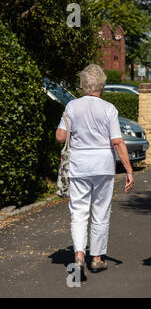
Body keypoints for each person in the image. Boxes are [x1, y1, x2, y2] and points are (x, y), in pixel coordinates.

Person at [55, 64, 135, 279]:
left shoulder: (71, 107)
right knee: (100, 211)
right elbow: (117, 141)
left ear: (83, 85)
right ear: (102, 85)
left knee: (79, 212)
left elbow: (61, 137)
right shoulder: (109, 109)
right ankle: (97, 258)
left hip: (79, 164)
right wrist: (128, 170)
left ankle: (79, 254)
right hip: (103, 165)